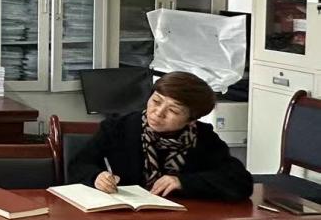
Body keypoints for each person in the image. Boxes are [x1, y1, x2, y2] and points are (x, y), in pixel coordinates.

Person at [69, 71, 253, 201]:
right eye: (156, 101)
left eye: (173, 110)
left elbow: (240, 182)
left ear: (191, 120)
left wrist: (183, 182)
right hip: (126, 214)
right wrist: (96, 177)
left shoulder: (203, 138)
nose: (158, 113)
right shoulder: (119, 127)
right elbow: (79, 164)